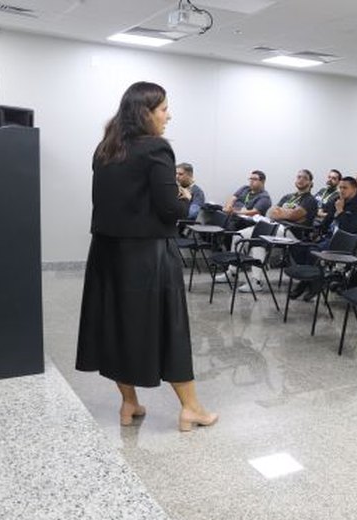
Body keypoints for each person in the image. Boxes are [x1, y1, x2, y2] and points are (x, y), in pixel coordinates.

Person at [76, 81, 216, 432]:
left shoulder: (105, 149)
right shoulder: (156, 149)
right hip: (148, 255)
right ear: (146, 112)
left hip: (107, 254)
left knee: (118, 327)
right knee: (169, 329)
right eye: (164, 108)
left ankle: (129, 403)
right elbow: (172, 209)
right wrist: (185, 197)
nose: (169, 115)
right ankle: (191, 409)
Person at [223, 169, 318, 293]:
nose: (300, 179)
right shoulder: (288, 197)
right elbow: (271, 212)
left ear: (310, 183)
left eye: (304, 178)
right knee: (239, 235)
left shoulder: (310, 200)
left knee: (259, 238)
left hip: (292, 232)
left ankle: (256, 281)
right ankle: (232, 272)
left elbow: (293, 216)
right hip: (275, 226)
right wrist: (285, 214)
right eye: (298, 177)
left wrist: (283, 213)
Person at [292, 176, 357, 299]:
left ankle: (310, 282)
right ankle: (310, 279)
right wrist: (317, 232)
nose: (341, 190)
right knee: (299, 247)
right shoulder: (337, 200)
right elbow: (327, 221)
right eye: (340, 187)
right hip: (329, 238)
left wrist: (340, 211)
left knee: (313, 251)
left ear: (354, 189)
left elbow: (349, 230)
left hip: (345, 243)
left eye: (345, 188)